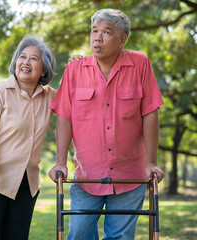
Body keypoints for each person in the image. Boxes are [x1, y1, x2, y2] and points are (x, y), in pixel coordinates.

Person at [48, 9, 165, 240]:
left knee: (120, 238)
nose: (97, 38)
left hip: (129, 176)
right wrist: (60, 162)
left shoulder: (140, 63)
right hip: (86, 175)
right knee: (79, 234)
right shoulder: (74, 70)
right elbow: (64, 117)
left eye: (106, 32)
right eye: (94, 31)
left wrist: (151, 162)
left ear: (122, 39)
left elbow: (150, 113)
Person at [0, 35, 56, 240]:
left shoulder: (51, 96)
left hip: (27, 184)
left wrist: (78, 67)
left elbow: (75, 100)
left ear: (44, 69)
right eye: (22, 57)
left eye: (33, 59)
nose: (25, 62)